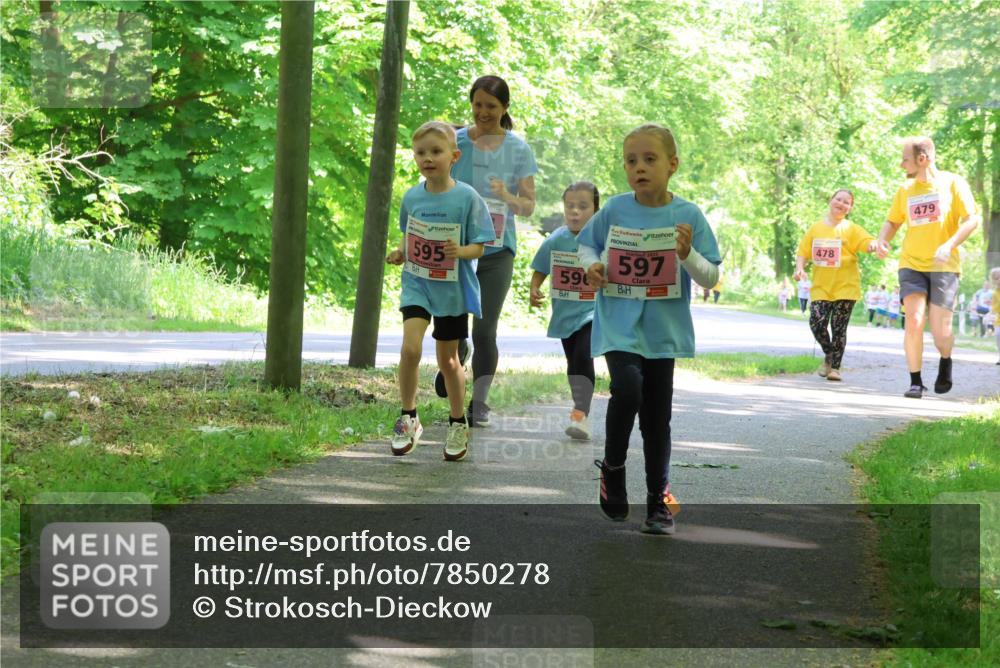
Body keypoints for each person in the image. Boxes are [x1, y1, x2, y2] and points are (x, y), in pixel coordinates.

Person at [578, 124, 721, 535]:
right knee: (628, 386)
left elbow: (710, 276)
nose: (639, 167)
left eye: (649, 159)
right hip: (619, 323)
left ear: (672, 165)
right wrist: (592, 266)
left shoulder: (688, 216)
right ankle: (614, 467)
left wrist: (687, 253)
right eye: (631, 161)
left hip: (663, 332)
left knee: (658, 419)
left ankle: (658, 501)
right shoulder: (615, 210)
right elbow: (587, 245)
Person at [385, 122, 496, 460]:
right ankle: (408, 416)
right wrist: (401, 251)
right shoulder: (412, 196)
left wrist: (459, 251)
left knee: (448, 360)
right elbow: (409, 232)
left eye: (436, 152)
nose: (427, 158)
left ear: (454, 156)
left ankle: (457, 421)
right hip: (417, 283)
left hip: (451, 290)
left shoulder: (467, 198)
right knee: (410, 349)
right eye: (421, 153)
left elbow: (480, 246)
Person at [437, 75, 538, 428]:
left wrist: (507, 195)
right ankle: (454, 358)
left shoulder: (519, 149)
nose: (483, 112)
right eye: (477, 104)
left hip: (497, 250)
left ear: (504, 108)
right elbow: (434, 182)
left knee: (484, 330)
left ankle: (479, 404)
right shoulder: (455, 141)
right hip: (457, 249)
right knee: (454, 327)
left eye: (491, 106)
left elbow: (528, 207)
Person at [875, 136, 981, 398]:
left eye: (905, 159)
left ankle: (946, 360)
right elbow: (892, 222)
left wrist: (950, 244)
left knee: (940, 333)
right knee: (914, 320)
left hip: (944, 267)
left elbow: (971, 220)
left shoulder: (953, 183)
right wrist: (882, 240)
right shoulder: (905, 190)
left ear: (922, 159)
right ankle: (915, 381)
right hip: (911, 263)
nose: (902, 165)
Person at [529, 182, 600, 440]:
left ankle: (580, 415)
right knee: (573, 365)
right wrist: (534, 288)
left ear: (596, 209)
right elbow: (540, 268)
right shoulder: (557, 238)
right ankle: (580, 410)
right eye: (570, 206)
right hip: (565, 315)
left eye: (583, 207)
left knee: (583, 355)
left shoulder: (601, 240)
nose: (575, 212)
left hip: (594, 312)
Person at [793, 189, 882, 382]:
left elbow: (866, 241)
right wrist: (800, 268)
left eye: (846, 202)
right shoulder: (815, 228)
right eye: (838, 199)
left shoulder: (851, 228)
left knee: (839, 328)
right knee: (816, 323)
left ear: (850, 208)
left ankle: (834, 368)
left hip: (846, 286)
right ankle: (830, 354)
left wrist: (873, 245)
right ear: (831, 201)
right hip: (821, 287)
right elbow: (803, 252)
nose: (841, 204)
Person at [990, 267, 1000, 364]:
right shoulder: (994, 294)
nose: (999, 280)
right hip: (999, 320)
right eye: (996, 278)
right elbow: (994, 309)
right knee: (998, 336)